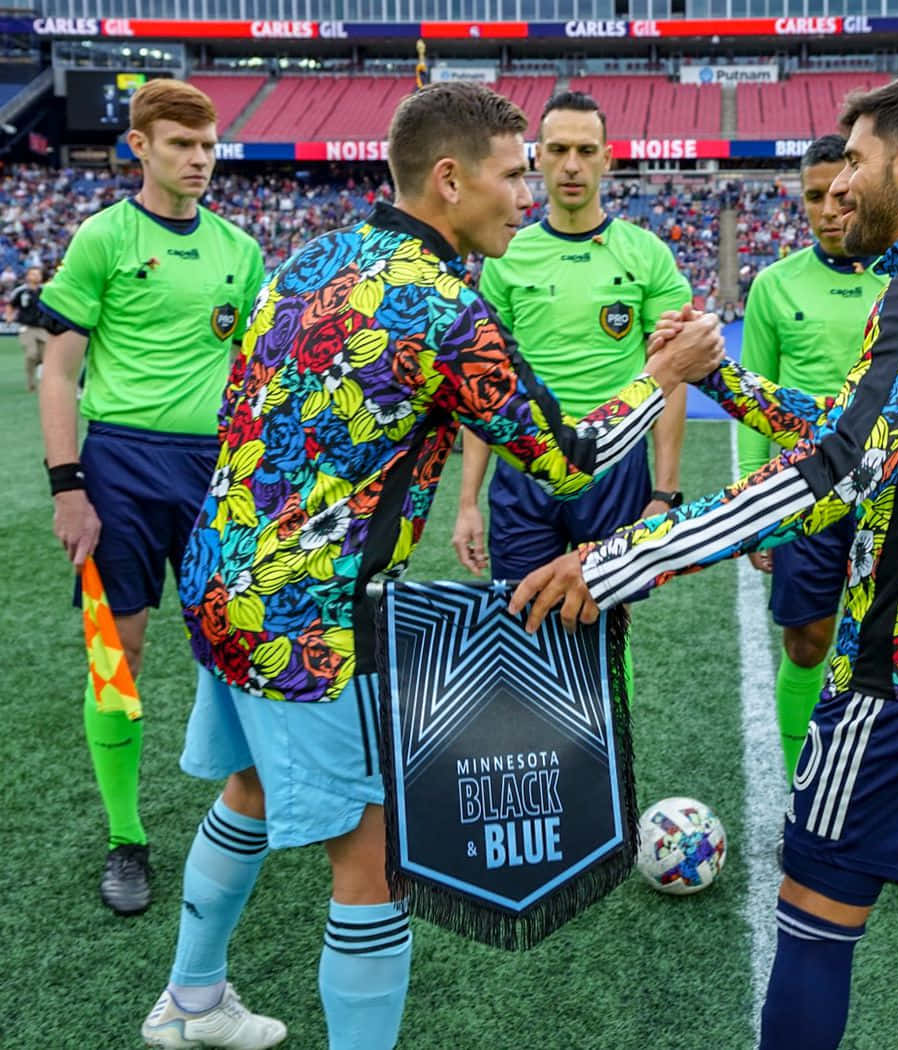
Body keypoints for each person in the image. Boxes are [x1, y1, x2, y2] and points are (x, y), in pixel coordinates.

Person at [138, 81, 722, 1050]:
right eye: (511, 173)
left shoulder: (310, 255)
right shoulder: (446, 310)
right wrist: (661, 377)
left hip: (220, 575)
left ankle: (191, 1001)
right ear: (448, 181)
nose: (527, 195)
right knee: (371, 860)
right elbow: (569, 461)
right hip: (309, 619)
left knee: (245, 788)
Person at [512, 72, 898, 1050]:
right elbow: (879, 440)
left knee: (811, 909)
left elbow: (834, 475)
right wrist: (722, 374)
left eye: (852, 160)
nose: (838, 184)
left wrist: (621, 561)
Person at [37, 80, 265, 917]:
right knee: (117, 654)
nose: (199, 159)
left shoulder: (241, 248)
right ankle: (126, 839)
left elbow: (251, 373)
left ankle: (250, 809)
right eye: (180, 145)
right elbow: (56, 372)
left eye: (207, 146)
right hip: (120, 466)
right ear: (141, 146)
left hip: (214, 470)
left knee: (236, 646)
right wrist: (69, 489)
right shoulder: (103, 237)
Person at [453, 92, 693, 618]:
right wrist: (468, 501)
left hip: (615, 463)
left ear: (608, 158)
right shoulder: (507, 254)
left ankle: (612, 705)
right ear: (537, 156)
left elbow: (671, 378)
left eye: (586, 150)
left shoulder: (647, 254)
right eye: (558, 149)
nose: (572, 165)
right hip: (526, 460)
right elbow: (483, 384)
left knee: (608, 620)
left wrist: (665, 493)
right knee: (519, 617)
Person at [738, 133, 888, 783]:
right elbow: (751, 397)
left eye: (838, 193)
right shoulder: (774, 286)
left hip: (891, 490)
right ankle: (802, 782)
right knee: (808, 641)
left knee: (887, 647)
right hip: (807, 489)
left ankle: (872, 779)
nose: (829, 208)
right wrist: (752, 502)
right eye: (813, 197)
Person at [8, 265, 48, 391]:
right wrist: (9, 316)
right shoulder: (20, 291)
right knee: (31, 354)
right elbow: (11, 305)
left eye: (38, 274)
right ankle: (31, 382)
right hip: (27, 328)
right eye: (33, 274)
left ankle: (42, 376)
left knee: (45, 356)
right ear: (28, 276)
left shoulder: (46, 290)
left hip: (43, 328)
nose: (36, 276)